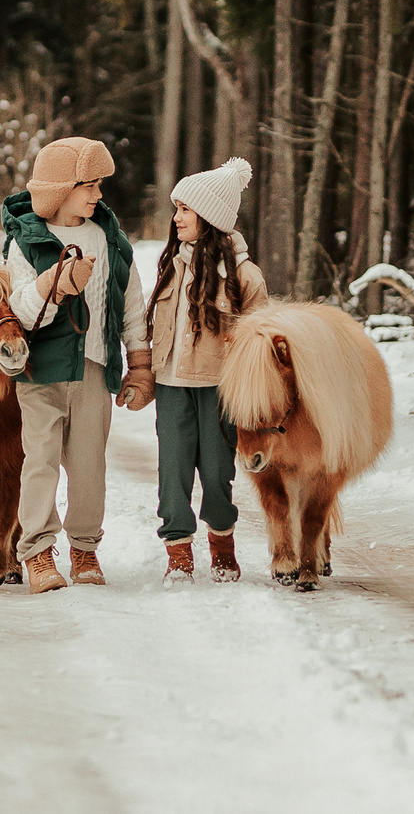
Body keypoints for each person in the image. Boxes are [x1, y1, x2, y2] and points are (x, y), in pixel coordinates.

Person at [1, 137, 153, 593]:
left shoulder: (108, 238)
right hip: (41, 372)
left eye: (99, 185)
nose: (97, 195)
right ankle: (38, 553)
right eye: (89, 185)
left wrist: (139, 363)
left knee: (89, 466)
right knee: (40, 462)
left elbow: (130, 302)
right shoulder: (25, 242)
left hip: (93, 369)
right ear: (60, 189)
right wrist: (58, 283)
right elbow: (23, 311)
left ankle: (85, 549)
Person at [148, 157, 269, 584]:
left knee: (218, 474)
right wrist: (145, 376)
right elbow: (157, 330)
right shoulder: (171, 266)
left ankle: (222, 544)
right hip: (171, 386)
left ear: (210, 217)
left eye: (185, 209)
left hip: (220, 390)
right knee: (173, 472)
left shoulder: (245, 275)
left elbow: (260, 345)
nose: (176, 218)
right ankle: (178, 552)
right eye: (176, 208)